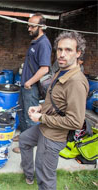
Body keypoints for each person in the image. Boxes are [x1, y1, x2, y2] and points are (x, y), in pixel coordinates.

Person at [19, 31, 88, 189]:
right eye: (59, 49)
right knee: (24, 140)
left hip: (53, 137)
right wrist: (40, 107)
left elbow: (76, 122)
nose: (62, 54)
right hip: (44, 128)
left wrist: (41, 118)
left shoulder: (76, 82)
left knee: (46, 178)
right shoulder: (60, 71)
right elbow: (57, 101)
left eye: (68, 50)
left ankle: (37, 176)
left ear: (78, 53)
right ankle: (29, 174)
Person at [13, 13, 52, 154]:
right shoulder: (35, 41)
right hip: (25, 85)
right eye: (28, 25)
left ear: (41, 27)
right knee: (22, 112)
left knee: (30, 116)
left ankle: (27, 144)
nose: (29, 28)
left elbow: (45, 68)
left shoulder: (44, 43)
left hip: (32, 87)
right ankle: (24, 136)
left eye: (32, 26)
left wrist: (29, 82)